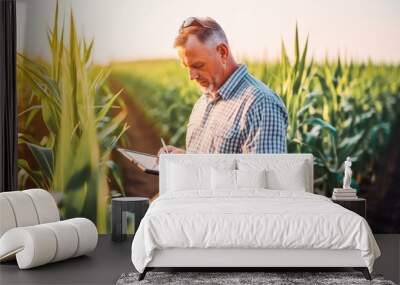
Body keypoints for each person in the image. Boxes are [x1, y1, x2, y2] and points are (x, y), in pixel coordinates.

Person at [158, 17, 288, 157]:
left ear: (222, 52)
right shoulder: (203, 101)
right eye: (187, 67)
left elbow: (260, 177)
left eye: (198, 65)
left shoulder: (261, 105)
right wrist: (184, 158)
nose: (191, 76)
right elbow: (209, 162)